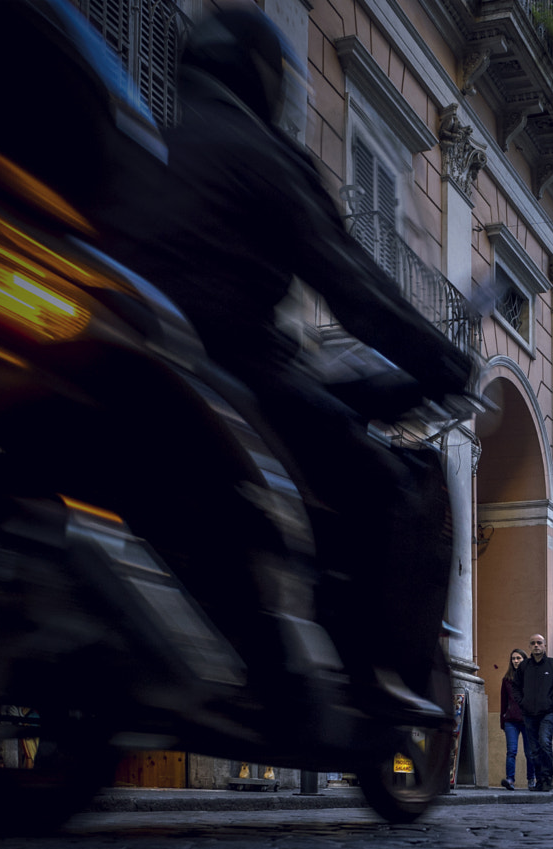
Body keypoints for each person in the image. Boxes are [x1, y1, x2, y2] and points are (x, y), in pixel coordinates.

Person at [97, 5, 471, 725]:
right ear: (264, 80)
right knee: (384, 481)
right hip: (225, 367)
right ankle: (370, 674)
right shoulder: (260, 151)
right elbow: (350, 284)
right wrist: (439, 358)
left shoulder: (151, 142)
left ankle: (265, 657)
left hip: (125, 355)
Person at [516, 633, 553, 791]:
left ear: (545, 645)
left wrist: (552, 703)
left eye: (539, 643)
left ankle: (547, 778)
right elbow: (516, 687)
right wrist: (522, 702)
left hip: (548, 712)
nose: (536, 646)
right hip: (529, 713)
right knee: (534, 749)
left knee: (544, 742)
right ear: (529, 646)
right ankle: (539, 780)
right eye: (532, 643)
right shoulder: (524, 667)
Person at [499, 649, 528, 789]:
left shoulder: (530, 677)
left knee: (530, 752)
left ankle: (532, 780)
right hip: (511, 720)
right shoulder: (507, 679)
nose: (515, 661)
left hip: (528, 720)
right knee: (511, 751)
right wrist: (502, 721)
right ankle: (510, 780)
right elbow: (503, 702)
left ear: (524, 659)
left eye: (518, 658)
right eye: (513, 658)